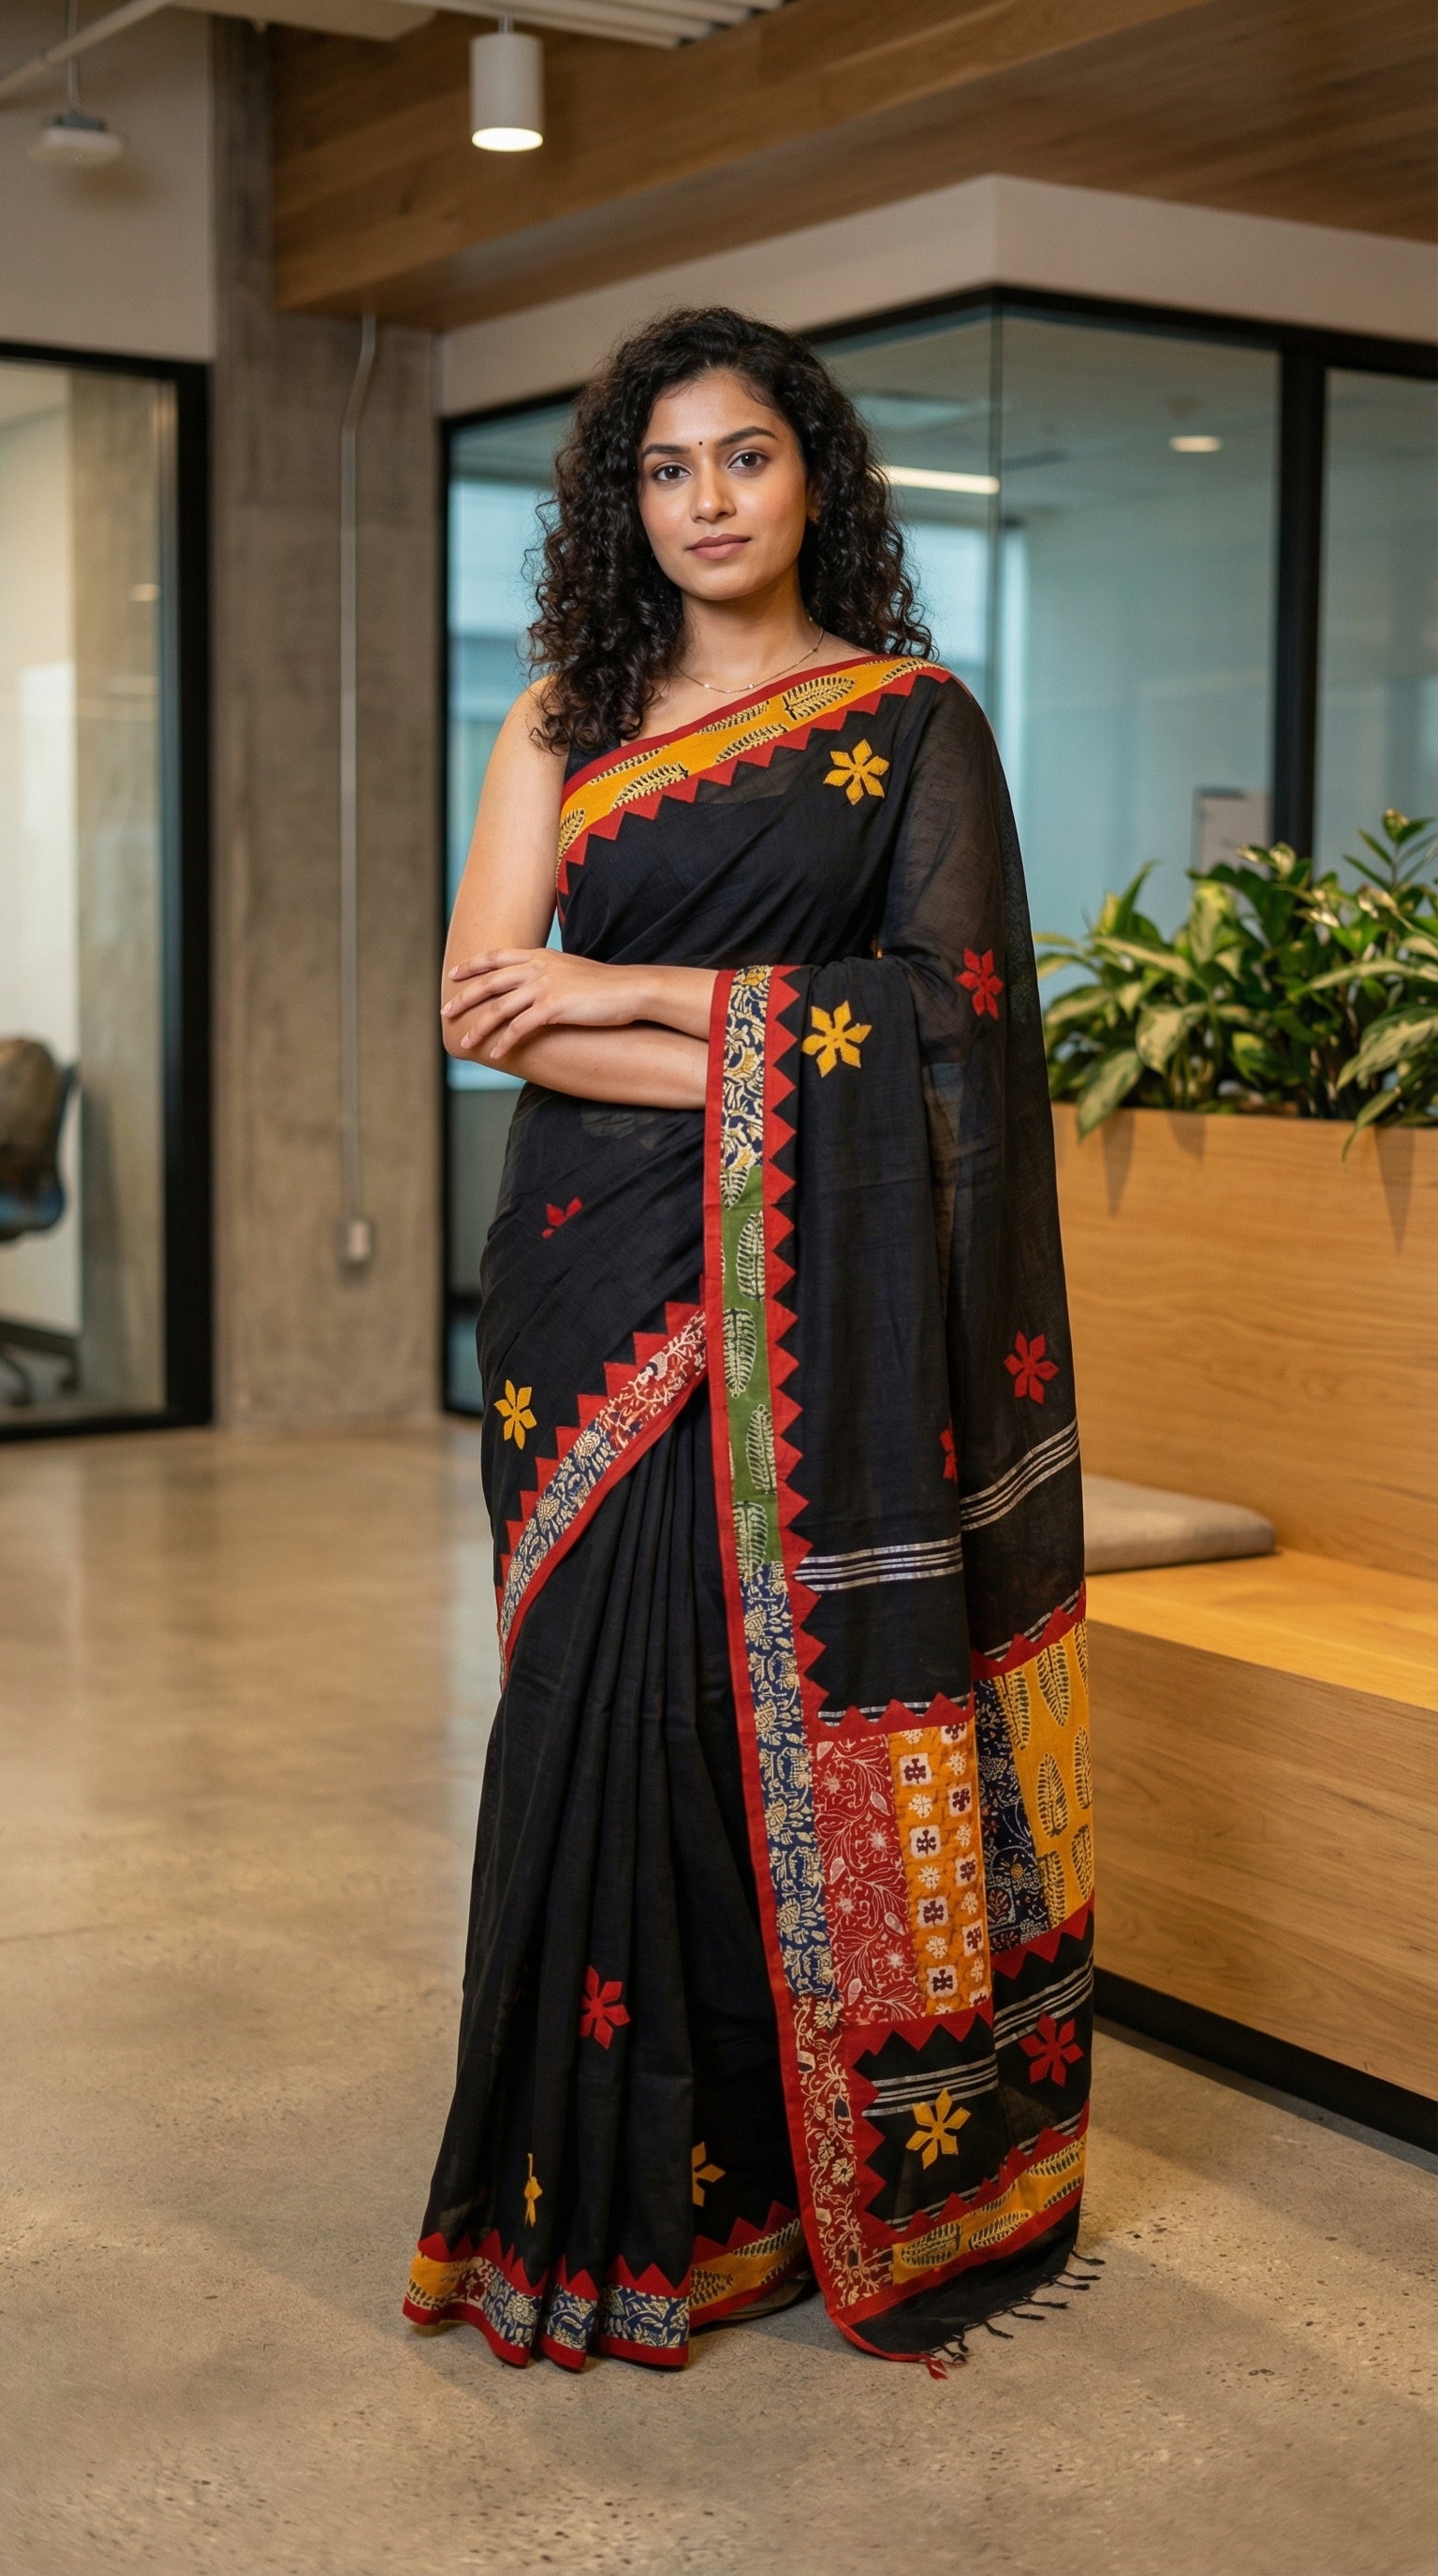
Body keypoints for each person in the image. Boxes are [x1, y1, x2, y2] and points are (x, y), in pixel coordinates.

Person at [403, 307, 1093, 2373]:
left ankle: (779, 2191)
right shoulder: (564, 714)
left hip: (801, 1293)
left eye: (746, 457)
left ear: (816, 479)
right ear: (625, 503)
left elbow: (949, 1033)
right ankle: (587, 2191)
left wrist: (631, 993)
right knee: (584, 1710)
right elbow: (480, 1004)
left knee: (744, 1708)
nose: (706, 501)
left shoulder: (910, 724)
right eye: (665, 468)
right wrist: (753, 1045)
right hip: (585, 1281)